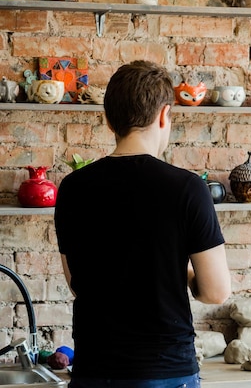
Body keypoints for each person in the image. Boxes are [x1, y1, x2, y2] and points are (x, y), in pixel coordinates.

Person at [54, 60, 231, 388]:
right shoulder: (187, 188)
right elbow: (216, 292)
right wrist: (179, 270)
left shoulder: (73, 188)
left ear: (109, 120)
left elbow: (77, 283)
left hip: (94, 369)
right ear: (165, 114)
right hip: (165, 371)